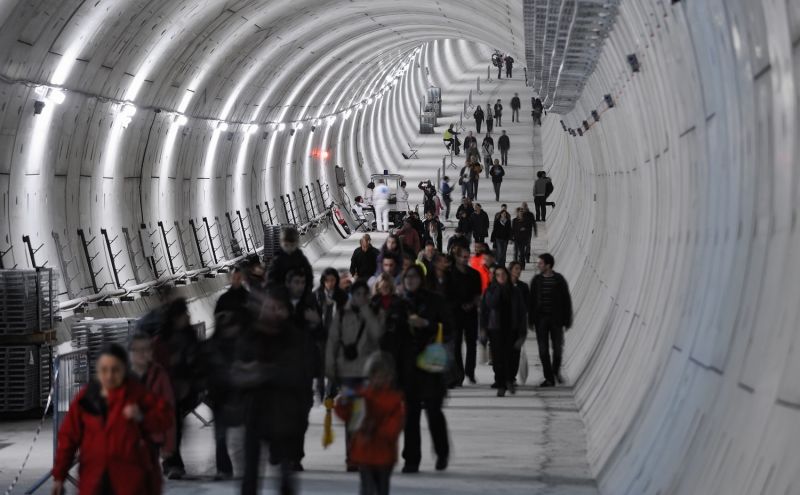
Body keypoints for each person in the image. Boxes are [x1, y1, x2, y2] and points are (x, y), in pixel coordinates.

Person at [52, 344, 173, 495]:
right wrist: (59, 476)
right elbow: (68, 438)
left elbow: (166, 417)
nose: (109, 376)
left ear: (124, 370)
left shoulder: (136, 394)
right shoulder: (86, 399)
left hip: (130, 481)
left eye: (115, 370)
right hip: (93, 480)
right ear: (97, 370)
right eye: (104, 370)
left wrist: (142, 417)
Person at [235, 286, 316, 495]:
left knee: (285, 475)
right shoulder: (250, 335)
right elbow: (238, 371)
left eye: (276, 307)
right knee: (250, 474)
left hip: (284, 415)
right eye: (267, 306)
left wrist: (262, 372)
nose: (271, 312)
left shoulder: (292, 337)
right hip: (254, 414)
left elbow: (297, 373)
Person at [394, 266, 451, 473]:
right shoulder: (400, 303)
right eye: (407, 277)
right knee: (411, 415)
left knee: (434, 412)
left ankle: (442, 451)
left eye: (414, 277)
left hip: (431, 364)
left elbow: (449, 327)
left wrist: (427, 324)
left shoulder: (435, 300)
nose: (410, 280)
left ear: (421, 279)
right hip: (408, 366)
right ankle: (411, 459)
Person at [326, 280, 384, 471]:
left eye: (364, 294)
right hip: (348, 373)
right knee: (353, 416)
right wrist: (330, 367)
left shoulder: (373, 313)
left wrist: (367, 312)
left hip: (367, 373)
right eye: (357, 294)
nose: (360, 298)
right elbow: (333, 341)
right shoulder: (342, 314)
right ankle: (352, 456)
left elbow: (378, 335)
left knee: (365, 415)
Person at [334, 352, 405, 495]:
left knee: (381, 489)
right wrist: (343, 403)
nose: (378, 379)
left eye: (383, 376)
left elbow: (395, 425)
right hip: (364, 453)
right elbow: (348, 416)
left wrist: (375, 430)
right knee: (366, 489)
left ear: (389, 377)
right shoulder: (362, 395)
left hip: (384, 455)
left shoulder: (394, 400)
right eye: (375, 375)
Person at [205, 265, 250, 480]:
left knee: (242, 430)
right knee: (221, 433)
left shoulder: (248, 300)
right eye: (234, 275)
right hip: (221, 390)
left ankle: (242, 467)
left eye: (239, 275)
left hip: (239, 384)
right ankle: (224, 468)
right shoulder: (224, 300)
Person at [152, 298, 201, 480]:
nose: (187, 316)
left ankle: (172, 462)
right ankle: (172, 463)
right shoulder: (162, 339)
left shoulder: (188, 334)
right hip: (168, 389)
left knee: (177, 427)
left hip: (183, 389)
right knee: (174, 427)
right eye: (184, 314)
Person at [128, 334, 175, 489]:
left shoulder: (159, 375)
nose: (142, 354)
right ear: (131, 353)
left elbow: (169, 410)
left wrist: (168, 444)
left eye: (146, 349)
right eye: (138, 350)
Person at [480, 266, 527, 396]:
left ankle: (509, 379)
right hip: (495, 329)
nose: (501, 277)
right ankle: (501, 384)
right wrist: (483, 329)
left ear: (507, 275)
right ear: (495, 277)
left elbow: (522, 312)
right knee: (498, 358)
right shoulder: (490, 291)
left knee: (512, 357)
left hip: (512, 329)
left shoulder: (515, 291)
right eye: (498, 275)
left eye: (503, 274)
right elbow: (488, 308)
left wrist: (522, 333)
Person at [528, 253, 573, 387]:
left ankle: (555, 371)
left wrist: (567, 319)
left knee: (557, 348)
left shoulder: (559, 280)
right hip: (541, 319)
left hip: (556, 319)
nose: (538, 265)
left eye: (541, 263)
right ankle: (549, 378)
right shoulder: (536, 280)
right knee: (543, 350)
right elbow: (531, 301)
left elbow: (566, 300)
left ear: (548, 265)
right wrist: (531, 319)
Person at [446, 246, 482, 385]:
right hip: (455, 313)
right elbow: (448, 294)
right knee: (456, 345)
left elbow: (478, 294)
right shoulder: (450, 274)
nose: (466, 259)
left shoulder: (474, 274)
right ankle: (459, 374)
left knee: (472, 344)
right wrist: (459, 305)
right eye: (463, 257)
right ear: (457, 257)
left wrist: (472, 304)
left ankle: (470, 372)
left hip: (471, 313)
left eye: (467, 256)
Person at [314, 267, 349, 399]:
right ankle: (320, 390)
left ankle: (330, 392)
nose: (330, 283)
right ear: (323, 281)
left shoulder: (342, 296)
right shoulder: (317, 295)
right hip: (321, 334)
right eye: (327, 280)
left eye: (332, 280)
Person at [267, 226, 313, 291]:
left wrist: (307, 291)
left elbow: (309, 276)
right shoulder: (277, 261)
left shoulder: (300, 258)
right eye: (286, 245)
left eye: (292, 245)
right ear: (281, 243)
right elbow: (270, 281)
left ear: (296, 243)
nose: (289, 248)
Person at [508, 261, 530, 382]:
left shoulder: (523, 287)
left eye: (520, 269)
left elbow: (528, 305)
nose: (519, 271)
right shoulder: (504, 285)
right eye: (516, 268)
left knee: (516, 351)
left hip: (518, 324)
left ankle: (512, 376)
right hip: (505, 324)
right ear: (510, 270)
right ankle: (504, 376)